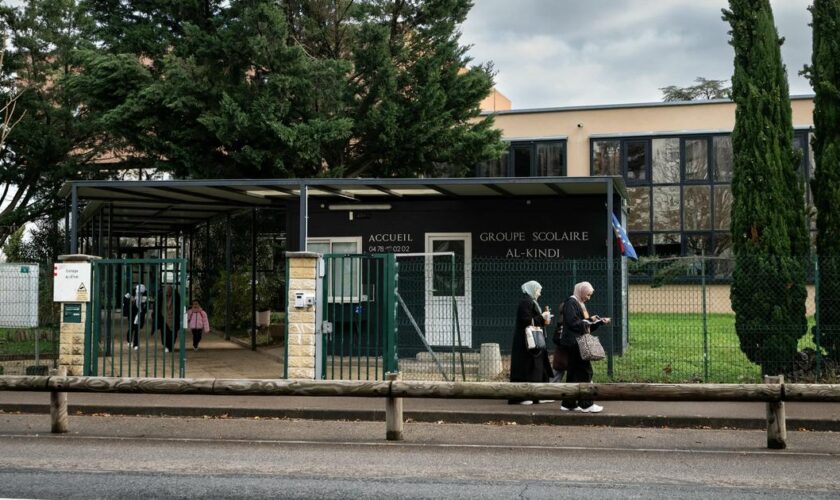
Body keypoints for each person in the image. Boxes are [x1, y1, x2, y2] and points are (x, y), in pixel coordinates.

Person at [558, 281, 610, 413]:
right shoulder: (571, 303)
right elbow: (574, 323)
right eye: (587, 294)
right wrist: (589, 321)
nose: (588, 298)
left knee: (573, 373)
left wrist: (597, 322)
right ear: (581, 291)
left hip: (575, 342)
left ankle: (568, 403)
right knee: (585, 372)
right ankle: (586, 404)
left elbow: (584, 325)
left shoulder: (579, 303)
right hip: (575, 343)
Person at [509, 280, 554, 405]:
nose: (540, 293)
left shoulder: (531, 301)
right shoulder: (526, 302)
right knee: (528, 367)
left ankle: (537, 395)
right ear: (533, 290)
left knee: (537, 367)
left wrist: (543, 317)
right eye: (538, 291)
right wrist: (542, 316)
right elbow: (525, 320)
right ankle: (523, 397)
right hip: (526, 343)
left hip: (533, 342)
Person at [157, 285, 182, 353]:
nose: (168, 294)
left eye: (169, 293)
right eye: (166, 293)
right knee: (165, 333)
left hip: (174, 317)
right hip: (164, 317)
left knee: (173, 333)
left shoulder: (176, 297)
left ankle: (170, 345)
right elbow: (157, 307)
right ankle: (166, 346)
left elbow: (179, 307)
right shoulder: (161, 297)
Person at [122, 284, 148, 350]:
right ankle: (129, 340)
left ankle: (135, 344)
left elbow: (146, 304)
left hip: (139, 313)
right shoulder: (131, 292)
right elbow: (125, 298)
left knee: (137, 328)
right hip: (132, 312)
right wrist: (131, 300)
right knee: (131, 327)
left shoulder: (145, 294)